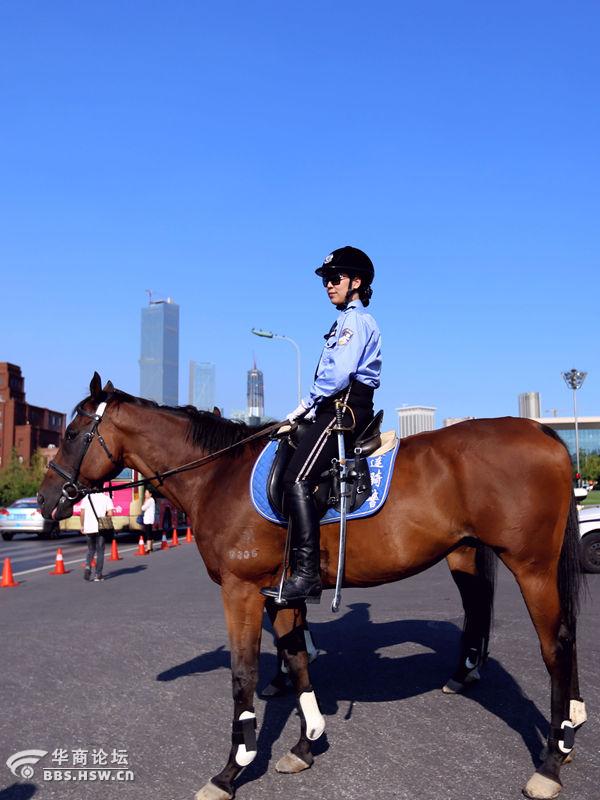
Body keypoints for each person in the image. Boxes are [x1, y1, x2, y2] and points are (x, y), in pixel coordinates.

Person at [261, 245, 382, 604]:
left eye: (335, 278)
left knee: (295, 477)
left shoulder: (355, 321)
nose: (328, 285)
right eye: (325, 280)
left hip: (344, 408)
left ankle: (306, 574)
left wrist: (303, 406)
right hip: (333, 407)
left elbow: (339, 375)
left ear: (356, 282)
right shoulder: (344, 320)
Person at [80, 491, 115, 582]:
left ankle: (88, 567)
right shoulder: (106, 498)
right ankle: (98, 575)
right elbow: (110, 514)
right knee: (100, 551)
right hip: (101, 529)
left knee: (91, 549)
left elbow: (82, 513)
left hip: (88, 528)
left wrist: (82, 525)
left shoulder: (86, 498)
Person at [141, 489, 156, 553]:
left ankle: (148, 548)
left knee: (148, 534)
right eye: (145, 493)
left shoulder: (150, 500)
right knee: (149, 532)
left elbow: (143, 508)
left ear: (150, 494)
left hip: (148, 519)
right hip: (149, 519)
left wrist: (145, 501)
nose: (145, 494)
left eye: (146, 493)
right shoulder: (151, 500)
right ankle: (151, 547)